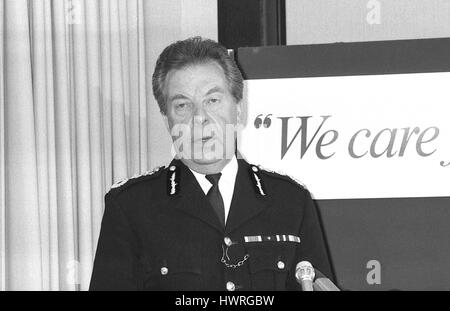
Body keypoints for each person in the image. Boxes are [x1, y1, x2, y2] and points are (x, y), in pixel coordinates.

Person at [89, 37, 333, 291]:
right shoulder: (131, 206)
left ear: (238, 109)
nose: (200, 118)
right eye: (183, 105)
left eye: (212, 100)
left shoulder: (290, 201)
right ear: (166, 119)